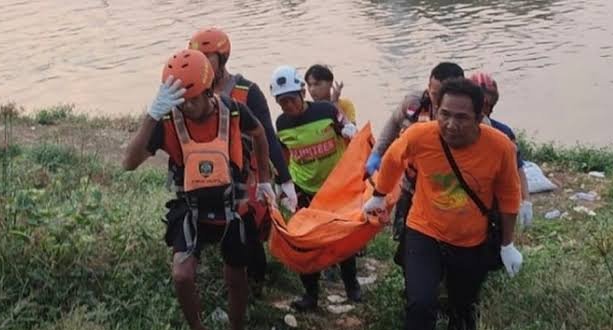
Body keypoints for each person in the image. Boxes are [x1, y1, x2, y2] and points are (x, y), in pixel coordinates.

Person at [122, 49, 274, 330]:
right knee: (181, 273)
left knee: (236, 276)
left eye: (191, 99)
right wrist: (152, 114)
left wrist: (265, 179)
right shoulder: (166, 121)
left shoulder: (233, 111)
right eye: (179, 99)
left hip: (232, 205)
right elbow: (128, 163)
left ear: (209, 91)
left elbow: (260, 133)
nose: (185, 106)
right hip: (189, 208)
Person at [362, 78, 523, 330]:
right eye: (444, 114)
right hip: (424, 230)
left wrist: (507, 244)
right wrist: (379, 195)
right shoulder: (420, 136)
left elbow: (509, 197)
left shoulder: (500, 147)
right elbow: (394, 159)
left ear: (480, 116)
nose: (450, 124)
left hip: (470, 239)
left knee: (463, 305)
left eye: (461, 117)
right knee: (420, 301)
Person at [189, 28, 297, 296]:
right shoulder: (188, 91)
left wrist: (283, 180)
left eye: (207, 57)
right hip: (201, 175)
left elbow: (267, 135)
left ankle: (256, 286)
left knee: (248, 233)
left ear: (222, 58)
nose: (201, 63)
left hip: (242, 175)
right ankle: (206, 280)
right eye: (197, 57)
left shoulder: (247, 91)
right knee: (197, 228)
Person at [269, 65, 360, 311]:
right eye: (282, 102)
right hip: (303, 187)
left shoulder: (326, 111)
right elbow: (283, 155)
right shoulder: (282, 124)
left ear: (302, 93)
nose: (288, 106)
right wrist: (283, 185)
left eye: (291, 99)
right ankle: (311, 294)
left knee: (342, 236)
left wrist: (351, 130)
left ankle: (351, 286)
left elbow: (347, 129)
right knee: (303, 240)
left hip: (335, 186)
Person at [365, 62, 465, 266]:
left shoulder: (469, 116)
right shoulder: (414, 104)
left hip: (448, 190)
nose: (436, 99)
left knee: (450, 242)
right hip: (412, 187)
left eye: (441, 94)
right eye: (433, 92)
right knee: (407, 241)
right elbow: (392, 124)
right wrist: (377, 154)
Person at [469, 71, 532, 228]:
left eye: (489, 106)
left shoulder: (503, 133)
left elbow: (517, 167)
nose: (485, 110)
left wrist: (526, 201)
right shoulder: (451, 132)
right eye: (482, 105)